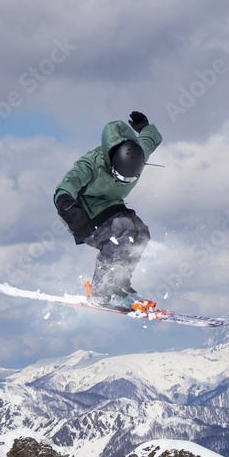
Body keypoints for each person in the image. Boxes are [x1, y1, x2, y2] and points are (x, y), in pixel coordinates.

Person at [54, 111, 161, 309]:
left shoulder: (139, 152)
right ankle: (100, 291)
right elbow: (68, 183)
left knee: (141, 234)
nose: (123, 182)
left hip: (111, 204)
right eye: (118, 176)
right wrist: (65, 201)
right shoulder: (91, 164)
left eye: (128, 179)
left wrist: (145, 127)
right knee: (121, 234)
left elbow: (152, 138)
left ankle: (120, 283)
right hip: (81, 210)